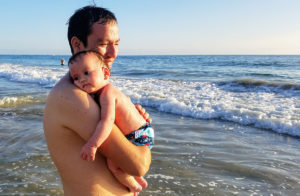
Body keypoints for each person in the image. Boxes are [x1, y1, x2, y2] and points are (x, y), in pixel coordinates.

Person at [43, 6, 152, 196]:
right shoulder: (72, 97)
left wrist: (131, 119)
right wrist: (140, 134)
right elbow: (139, 165)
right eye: (103, 44)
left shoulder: (87, 91)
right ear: (77, 45)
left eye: (116, 44)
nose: (113, 53)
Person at [68, 50, 154, 194]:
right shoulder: (104, 92)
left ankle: (134, 186)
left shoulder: (107, 93)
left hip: (138, 134)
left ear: (106, 74)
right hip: (141, 130)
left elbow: (107, 122)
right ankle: (137, 179)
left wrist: (92, 145)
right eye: (75, 78)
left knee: (113, 165)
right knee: (118, 163)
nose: (81, 80)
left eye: (87, 73)